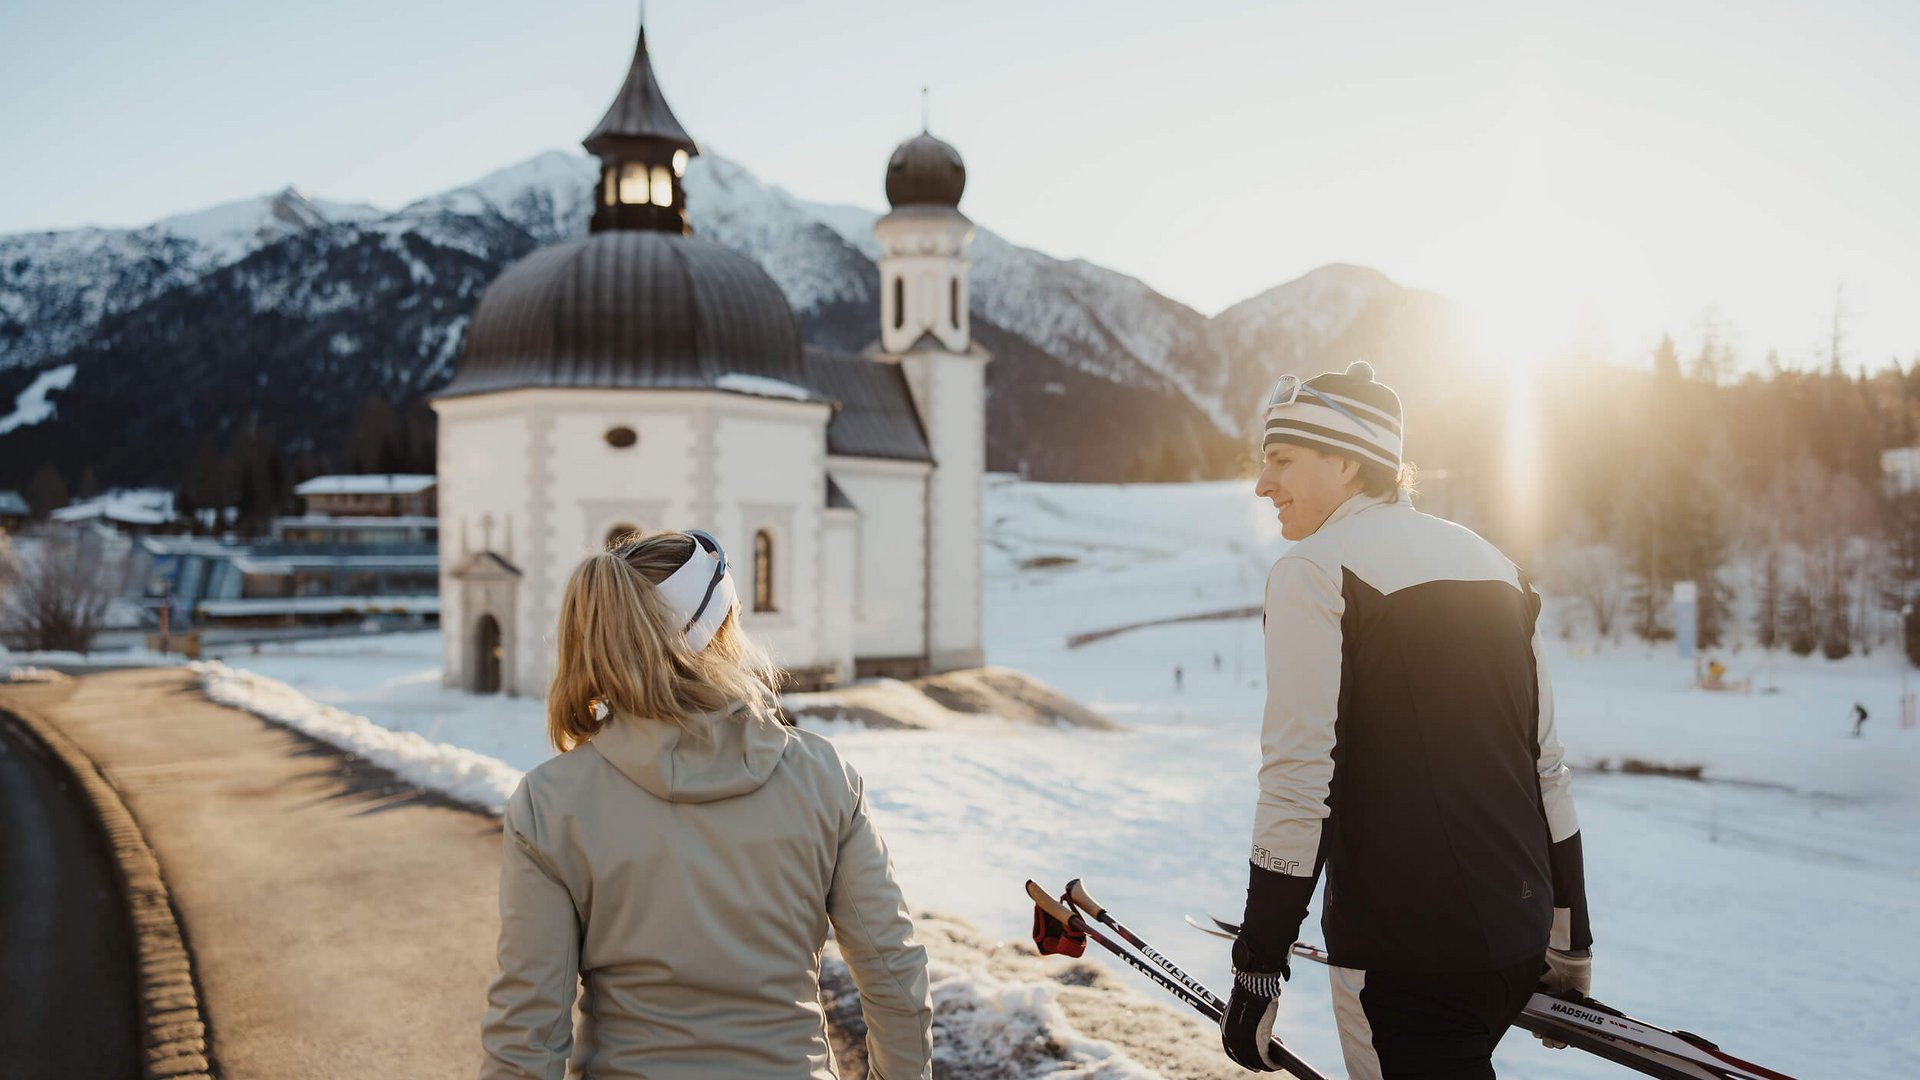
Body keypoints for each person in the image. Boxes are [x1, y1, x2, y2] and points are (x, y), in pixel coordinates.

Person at [1220, 363, 1593, 1079]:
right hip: (1513, 945)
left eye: (1283, 461)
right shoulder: (1498, 568)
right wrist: (1571, 943)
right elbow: (1545, 765)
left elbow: (1300, 784)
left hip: (1401, 964)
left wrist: (1257, 969)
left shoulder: (1314, 571)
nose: (1264, 486)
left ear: (1349, 463)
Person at [478, 530, 933, 1079]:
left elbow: (527, 1032)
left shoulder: (551, 802)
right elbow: (893, 971)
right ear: (718, 631)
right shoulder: (822, 776)